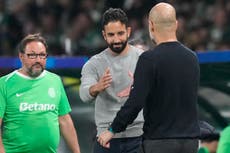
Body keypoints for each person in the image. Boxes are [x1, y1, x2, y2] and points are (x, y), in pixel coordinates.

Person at [97, 2, 201, 153]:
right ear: (176, 24)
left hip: (159, 143)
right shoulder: (192, 58)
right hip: (190, 143)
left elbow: (135, 103)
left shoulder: (149, 59)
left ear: (151, 25)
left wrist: (112, 129)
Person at [0, 33, 81, 153]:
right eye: (32, 55)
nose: (38, 60)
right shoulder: (4, 83)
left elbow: (64, 120)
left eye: (42, 55)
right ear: (21, 56)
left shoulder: (55, 80)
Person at [79, 8, 144, 153]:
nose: (116, 40)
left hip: (139, 136)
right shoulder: (94, 64)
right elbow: (84, 95)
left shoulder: (144, 59)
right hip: (106, 139)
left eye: (120, 33)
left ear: (128, 31)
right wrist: (97, 87)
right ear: (104, 35)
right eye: (111, 35)